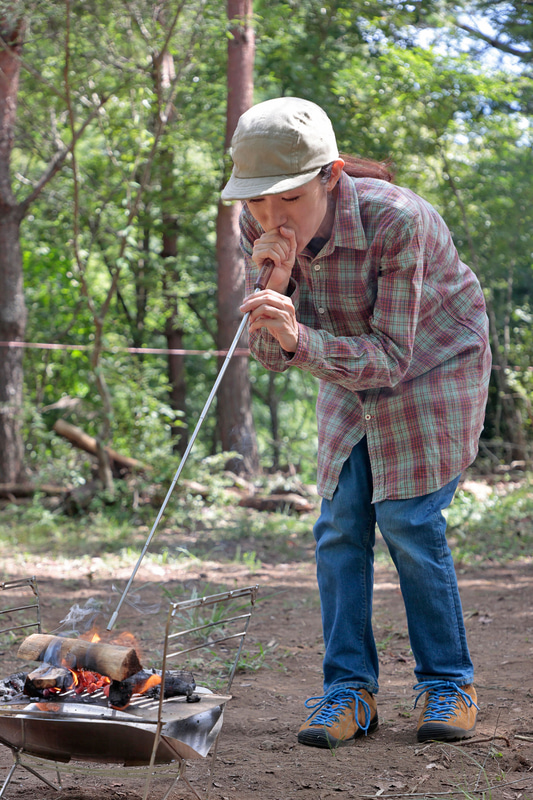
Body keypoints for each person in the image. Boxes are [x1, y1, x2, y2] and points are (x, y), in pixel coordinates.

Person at [221, 96, 491, 749]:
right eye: (255, 201)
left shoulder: (398, 222)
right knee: (340, 525)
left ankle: (447, 682)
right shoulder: (251, 229)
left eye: (285, 198)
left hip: (431, 367)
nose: (268, 217)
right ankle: (348, 692)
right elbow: (272, 354)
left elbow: (394, 358)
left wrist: (299, 338)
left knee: (406, 519)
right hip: (344, 365)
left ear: (329, 175)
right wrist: (278, 290)